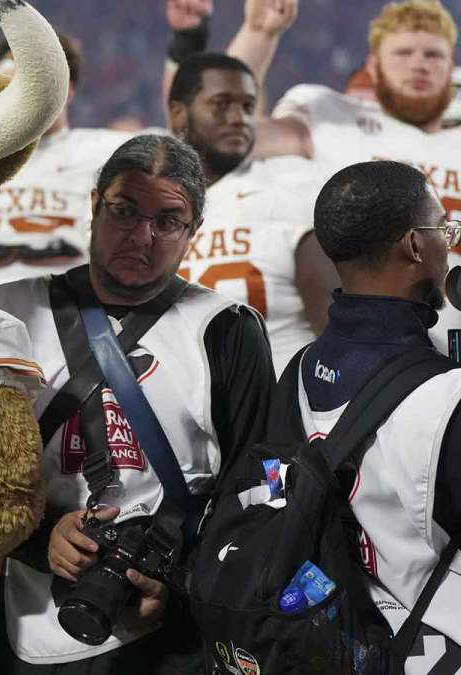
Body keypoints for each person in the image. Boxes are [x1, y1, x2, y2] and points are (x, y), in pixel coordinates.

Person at [0, 135, 275, 673]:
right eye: (124, 210)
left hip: (168, 630)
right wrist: (41, 538)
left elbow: (257, 489)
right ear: (94, 204)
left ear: (193, 235)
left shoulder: (226, 331)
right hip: (28, 618)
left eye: (168, 221)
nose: (142, 235)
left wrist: (181, 575)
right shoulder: (5, 313)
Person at [298, 160, 461, 671]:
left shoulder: (297, 370)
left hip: (338, 634)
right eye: (444, 231)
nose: (448, 246)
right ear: (414, 245)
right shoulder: (446, 399)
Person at [253, 0, 461, 352]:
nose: (418, 64)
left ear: (450, 67)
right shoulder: (334, 119)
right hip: (369, 348)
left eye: (432, 55)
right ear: (373, 66)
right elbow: (239, 138)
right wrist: (258, 34)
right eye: (403, 52)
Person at [168, 53, 337, 369]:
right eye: (221, 105)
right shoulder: (145, 205)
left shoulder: (292, 185)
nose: (238, 118)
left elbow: (336, 326)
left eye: (247, 107)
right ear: (179, 114)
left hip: (283, 403)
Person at [0, 30, 133, 300]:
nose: (26, 93)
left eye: (36, 78)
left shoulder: (108, 151)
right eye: (13, 83)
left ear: (68, 88)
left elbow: (190, 143)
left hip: (76, 323)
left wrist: (186, 40)